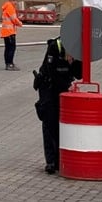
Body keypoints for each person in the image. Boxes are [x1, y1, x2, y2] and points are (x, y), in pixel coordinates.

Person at [33, 37, 83, 174]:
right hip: (48, 86)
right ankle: (51, 161)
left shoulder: (79, 50)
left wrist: (74, 61)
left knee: (62, 124)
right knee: (49, 121)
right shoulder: (55, 46)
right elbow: (51, 73)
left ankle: (60, 159)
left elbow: (79, 74)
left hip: (64, 89)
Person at [0, 0, 23, 70]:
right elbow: (14, 19)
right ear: (10, 1)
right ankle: (10, 64)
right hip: (10, 32)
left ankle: (8, 63)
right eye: (15, 1)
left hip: (6, 32)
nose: (16, 2)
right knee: (11, 48)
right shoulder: (10, 7)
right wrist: (20, 23)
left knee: (8, 48)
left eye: (16, 1)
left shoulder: (6, 6)